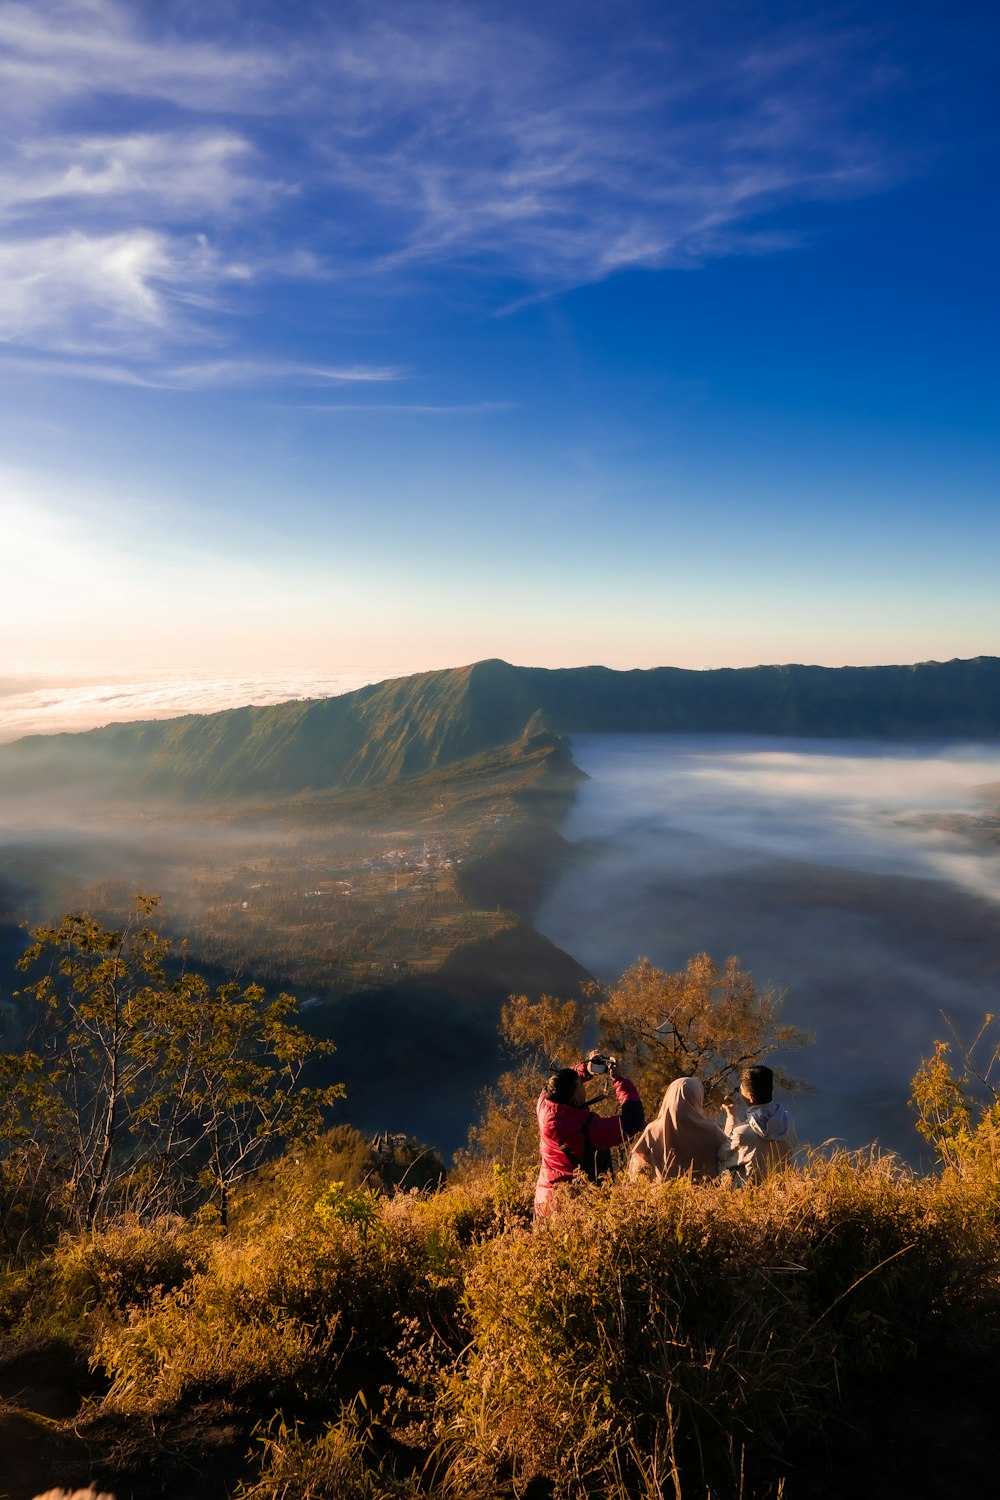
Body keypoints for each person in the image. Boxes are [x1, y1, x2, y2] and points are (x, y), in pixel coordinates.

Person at [534, 1054, 644, 1216]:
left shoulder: (544, 1104)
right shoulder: (588, 1129)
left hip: (544, 1202)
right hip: (574, 1208)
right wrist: (619, 1080)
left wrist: (585, 1069)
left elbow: (557, 1082)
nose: (581, 1083)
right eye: (580, 1084)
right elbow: (633, 1120)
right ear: (576, 1102)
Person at [627, 1075, 728, 1182]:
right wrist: (732, 1116)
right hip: (704, 1196)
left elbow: (636, 1169)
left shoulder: (652, 1131)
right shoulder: (712, 1132)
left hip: (662, 1196)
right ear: (697, 1098)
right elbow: (731, 1155)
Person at [721, 1064, 797, 1181]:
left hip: (750, 1195)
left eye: (740, 1090)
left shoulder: (742, 1133)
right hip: (782, 1189)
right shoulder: (788, 1120)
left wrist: (731, 1118)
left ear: (751, 1097)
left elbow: (722, 1157)